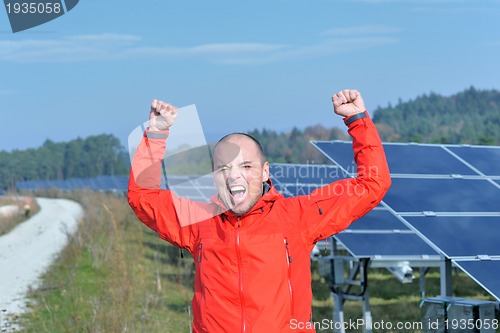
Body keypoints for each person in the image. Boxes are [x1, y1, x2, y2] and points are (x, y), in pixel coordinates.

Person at [128, 89, 391, 333]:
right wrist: (156, 134)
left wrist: (357, 120)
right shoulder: (198, 222)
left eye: (246, 167)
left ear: (265, 172)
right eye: (223, 169)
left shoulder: (298, 216)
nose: (234, 177)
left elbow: (372, 184)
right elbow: (142, 196)